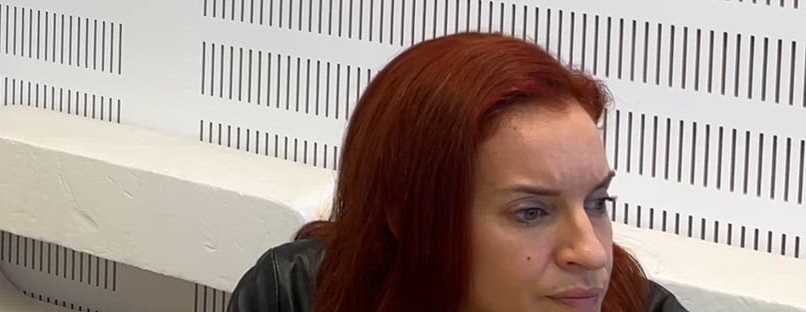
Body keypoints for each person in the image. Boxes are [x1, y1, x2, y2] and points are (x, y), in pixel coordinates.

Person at [228, 33, 687, 312]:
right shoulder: (295, 295)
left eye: (597, 203)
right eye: (531, 212)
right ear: (412, 217)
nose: (591, 253)